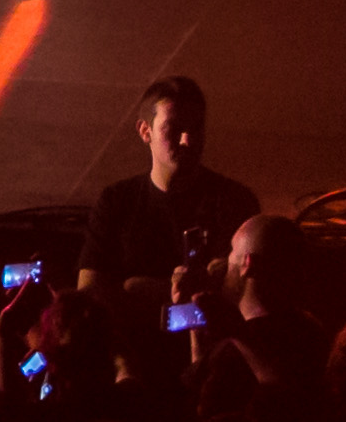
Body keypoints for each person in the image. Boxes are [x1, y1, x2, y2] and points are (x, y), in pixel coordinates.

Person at [82, 69, 260, 298]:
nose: (187, 140)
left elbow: (253, 290)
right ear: (145, 131)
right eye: (173, 129)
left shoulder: (234, 200)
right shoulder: (116, 202)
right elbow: (88, 293)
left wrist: (136, 287)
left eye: (196, 128)